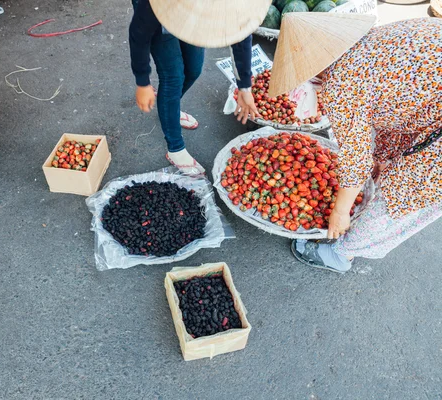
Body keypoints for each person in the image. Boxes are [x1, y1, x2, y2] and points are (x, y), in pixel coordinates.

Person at [267, 13, 442, 273]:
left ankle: (342, 253)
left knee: (404, 193)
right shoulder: (374, 37)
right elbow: (403, 102)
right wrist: (383, 158)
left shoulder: (341, 82)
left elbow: (356, 159)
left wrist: (340, 212)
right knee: (397, 179)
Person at [129, 0, 270, 174]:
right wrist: (142, 82)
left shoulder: (232, 6)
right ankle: (175, 149)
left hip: (195, 14)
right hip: (161, 13)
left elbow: (240, 33)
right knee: (173, 77)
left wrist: (245, 87)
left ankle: (169, 109)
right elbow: (139, 33)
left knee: (194, 69)